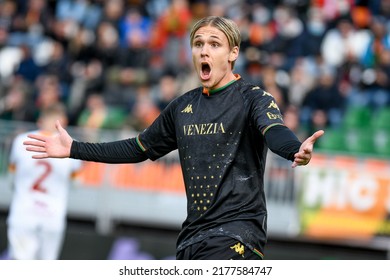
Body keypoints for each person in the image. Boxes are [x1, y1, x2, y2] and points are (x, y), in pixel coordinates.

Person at [23, 16, 324, 260]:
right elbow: (137, 148)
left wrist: (294, 149)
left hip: (237, 235)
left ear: (233, 54)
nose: (204, 51)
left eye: (214, 44)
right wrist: (75, 148)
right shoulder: (181, 107)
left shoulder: (252, 98)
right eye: (198, 44)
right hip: (191, 239)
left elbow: (274, 131)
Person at [7, 103, 82, 260]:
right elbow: (77, 183)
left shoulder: (21, 140)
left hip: (23, 210)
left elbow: (11, 176)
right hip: (53, 214)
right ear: (64, 122)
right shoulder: (72, 146)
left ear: (40, 121)